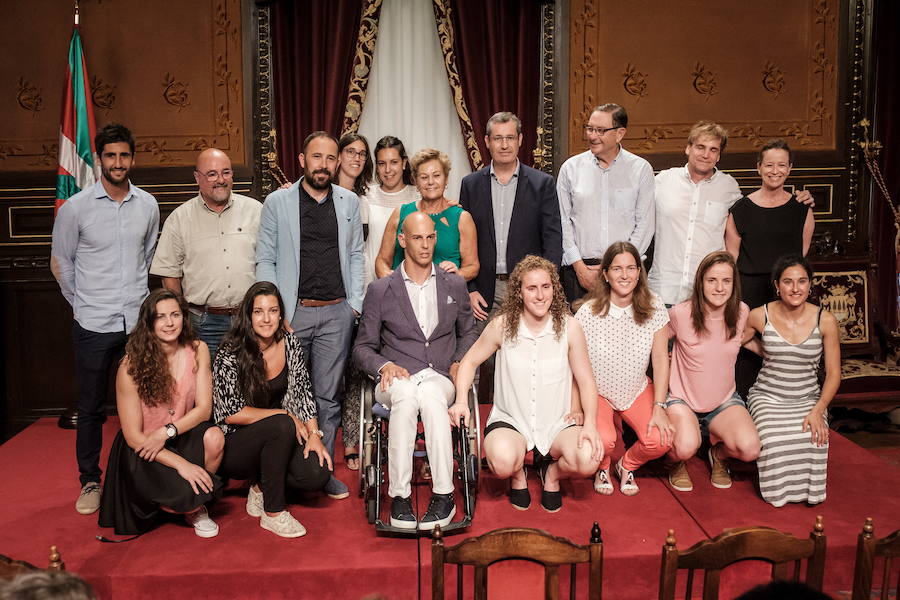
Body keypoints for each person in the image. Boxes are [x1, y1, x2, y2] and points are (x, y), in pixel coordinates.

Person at [50, 123, 160, 515]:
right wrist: (82, 305)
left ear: (133, 158)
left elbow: (147, 258)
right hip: (93, 323)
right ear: (98, 160)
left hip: (136, 325)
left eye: (124, 155)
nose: (118, 163)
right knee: (92, 407)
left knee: (148, 402)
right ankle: (90, 481)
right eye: (110, 156)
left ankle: (144, 477)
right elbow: (61, 263)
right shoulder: (76, 208)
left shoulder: (148, 205)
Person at [256, 131, 365, 500]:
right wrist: (273, 311)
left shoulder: (349, 202)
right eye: (316, 157)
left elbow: (355, 255)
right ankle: (279, 473)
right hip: (292, 313)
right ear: (302, 160)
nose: (323, 164)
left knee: (327, 397)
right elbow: (265, 258)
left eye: (330, 158)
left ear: (337, 163)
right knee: (284, 394)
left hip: (336, 313)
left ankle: (321, 470)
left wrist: (354, 306)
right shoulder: (277, 202)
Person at [353, 212, 478, 530]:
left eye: (430, 237)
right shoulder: (381, 290)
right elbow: (361, 348)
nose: (425, 245)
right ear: (402, 240)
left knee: (433, 396)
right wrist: (384, 365)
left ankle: (443, 495)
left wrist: (459, 360)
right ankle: (400, 498)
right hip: (396, 377)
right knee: (407, 396)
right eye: (418, 237)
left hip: (440, 375)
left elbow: (469, 333)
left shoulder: (454, 283)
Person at [453, 255, 603, 512]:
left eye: (546, 287)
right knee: (501, 462)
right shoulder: (501, 326)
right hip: (512, 419)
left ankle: (552, 474)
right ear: (519, 292)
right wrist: (459, 402)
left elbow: (586, 380)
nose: (540, 295)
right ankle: (518, 474)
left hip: (558, 421)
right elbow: (467, 363)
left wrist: (590, 424)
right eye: (531, 288)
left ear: (554, 289)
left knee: (588, 458)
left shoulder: (570, 327)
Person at [98, 289, 223, 537]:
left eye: (175, 315)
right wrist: (182, 465)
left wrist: (168, 432)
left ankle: (195, 508)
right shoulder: (130, 366)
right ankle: (177, 499)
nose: (169, 323)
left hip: (179, 432)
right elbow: (133, 437)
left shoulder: (198, 349)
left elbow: (204, 410)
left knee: (215, 436)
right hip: (145, 446)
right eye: (161, 316)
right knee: (180, 496)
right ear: (149, 322)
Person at [649, 122, 814, 307]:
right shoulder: (662, 181)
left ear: (719, 155)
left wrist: (801, 198)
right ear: (688, 148)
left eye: (713, 149)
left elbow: (757, 217)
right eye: (700, 147)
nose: (705, 154)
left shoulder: (729, 188)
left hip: (708, 293)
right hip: (664, 288)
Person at [213, 282, 332, 537]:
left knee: (316, 474)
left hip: (279, 438)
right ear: (248, 315)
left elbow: (303, 391)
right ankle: (274, 512)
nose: (266, 319)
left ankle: (259, 486)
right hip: (237, 444)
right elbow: (229, 412)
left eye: (273, 310)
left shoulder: (289, 342)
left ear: (281, 314)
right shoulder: (230, 349)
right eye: (258, 311)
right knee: (281, 424)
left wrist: (314, 435)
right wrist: (284, 415)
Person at [460, 111, 563, 404]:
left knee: (523, 362)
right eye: (497, 138)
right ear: (487, 142)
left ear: (520, 141)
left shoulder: (542, 184)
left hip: (527, 290)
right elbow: (462, 241)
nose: (504, 144)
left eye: (509, 138)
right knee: (478, 361)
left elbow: (553, 240)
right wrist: (469, 289)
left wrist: (544, 289)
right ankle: (474, 434)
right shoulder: (471, 184)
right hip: (482, 289)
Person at [342, 135, 420, 470]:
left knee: (409, 365)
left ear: (404, 163)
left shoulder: (418, 197)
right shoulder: (364, 196)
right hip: (371, 292)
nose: (388, 169)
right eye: (382, 163)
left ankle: (414, 437)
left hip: (410, 297)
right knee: (361, 365)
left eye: (394, 162)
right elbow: (356, 248)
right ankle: (353, 439)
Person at [574, 241, 673, 496]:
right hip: (598, 392)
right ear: (605, 274)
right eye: (617, 269)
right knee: (604, 441)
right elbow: (574, 363)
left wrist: (659, 407)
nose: (625, 275)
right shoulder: (588, 312)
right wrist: (576, 404)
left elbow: (661, 359)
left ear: (639, 272)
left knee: (661, 439)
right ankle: (603, 465)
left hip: (636, 389)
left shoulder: (654, 306)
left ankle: (625, 465)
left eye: (631, 268)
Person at [743, 255, 841, 507]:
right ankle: (777, 495)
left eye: (802, 281)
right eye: (788, 282)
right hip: (768, 396)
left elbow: (833, 374)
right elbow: (731, 339)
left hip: (807, 398)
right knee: (773, 441)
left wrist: (818, 411)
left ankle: (809, 494)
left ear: (810, 285)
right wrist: (761, 349)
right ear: (777, 285)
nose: (795, 288)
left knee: (815, 438)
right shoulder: (759, 315)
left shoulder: (826, 320)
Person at [663, 251, 761, 493]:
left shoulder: (741, 312)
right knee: (686, 446)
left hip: (723, 402)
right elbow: (652, 344)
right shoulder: (680, 313)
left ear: (733, 284)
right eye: (712, 280)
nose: (719, 288)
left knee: (750, 448)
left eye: (726, 281)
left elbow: (743, 340)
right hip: (682, 400)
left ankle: (717, 455)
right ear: (701, 283)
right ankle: (676, 462)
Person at [150, 148, 261, 358]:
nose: (220, 179)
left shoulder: (256, 211)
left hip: (249, 320)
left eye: (226, 172)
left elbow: (270, 261)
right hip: (204, 323)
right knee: (206, 387)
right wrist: (180, 319)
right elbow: (170, 274)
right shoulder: (179, 219)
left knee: (251, 385)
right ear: (197, 178)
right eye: (212, 174)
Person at [557, 103, 655, 303]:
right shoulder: (570, 168)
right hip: (580, 273)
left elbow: (645, 225)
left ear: (619, 133)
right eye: (590, 128)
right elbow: (563, 222)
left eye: (600, 130)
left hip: (626, 275)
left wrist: (619, 269)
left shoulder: (640, 170)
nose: (592, 136)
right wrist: (580, 268)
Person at [726, 139, 816, 309]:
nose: (775, 171)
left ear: (789, 168)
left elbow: (801, 253)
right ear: (759, 167)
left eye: (781, 165)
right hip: (748, 294)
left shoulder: (802, 209)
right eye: (769, 165)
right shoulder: (740, 209)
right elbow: (732, 258)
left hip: (789, 291)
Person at [375, 148, 479, 282]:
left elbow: (472, 266)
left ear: (446, 179)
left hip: (444, 295)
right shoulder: (400, 213)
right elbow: (382, 261)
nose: (431, 182)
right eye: (424, 177)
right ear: (415, 181)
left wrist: (456, 276)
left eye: (437, 175)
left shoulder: (461, 218)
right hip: (403, 297)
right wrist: (394, 284)